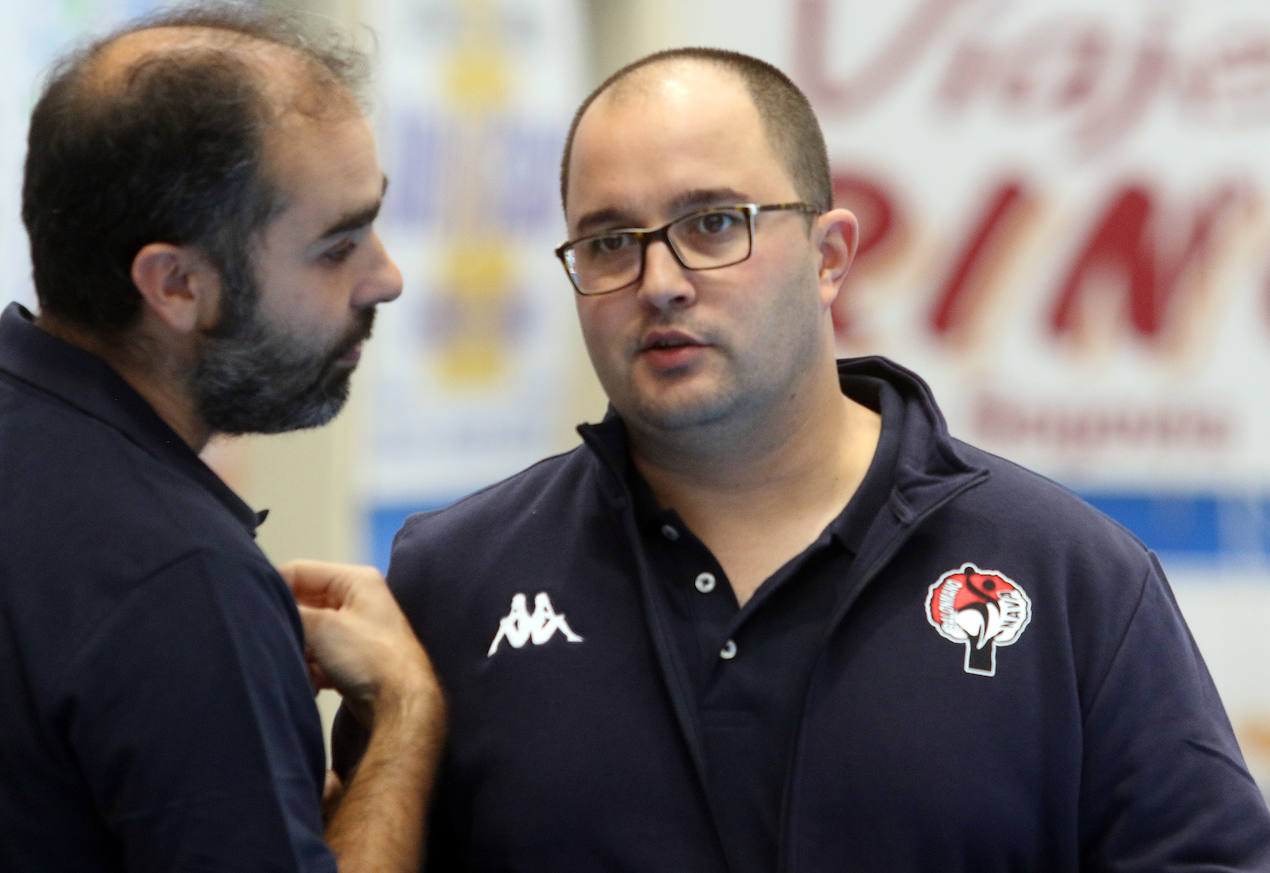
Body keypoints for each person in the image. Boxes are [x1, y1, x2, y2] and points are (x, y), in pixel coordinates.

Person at [338, 47, 1270, 872]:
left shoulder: (1073, 579)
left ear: (830, 257)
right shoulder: (455, 582)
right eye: (611, 242)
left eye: (713, 223)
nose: (661, 283)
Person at [0, 6, 444, 873]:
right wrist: (405, 719)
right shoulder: (180, 578)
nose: (385, 277)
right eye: (336, 245)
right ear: (177, 284)